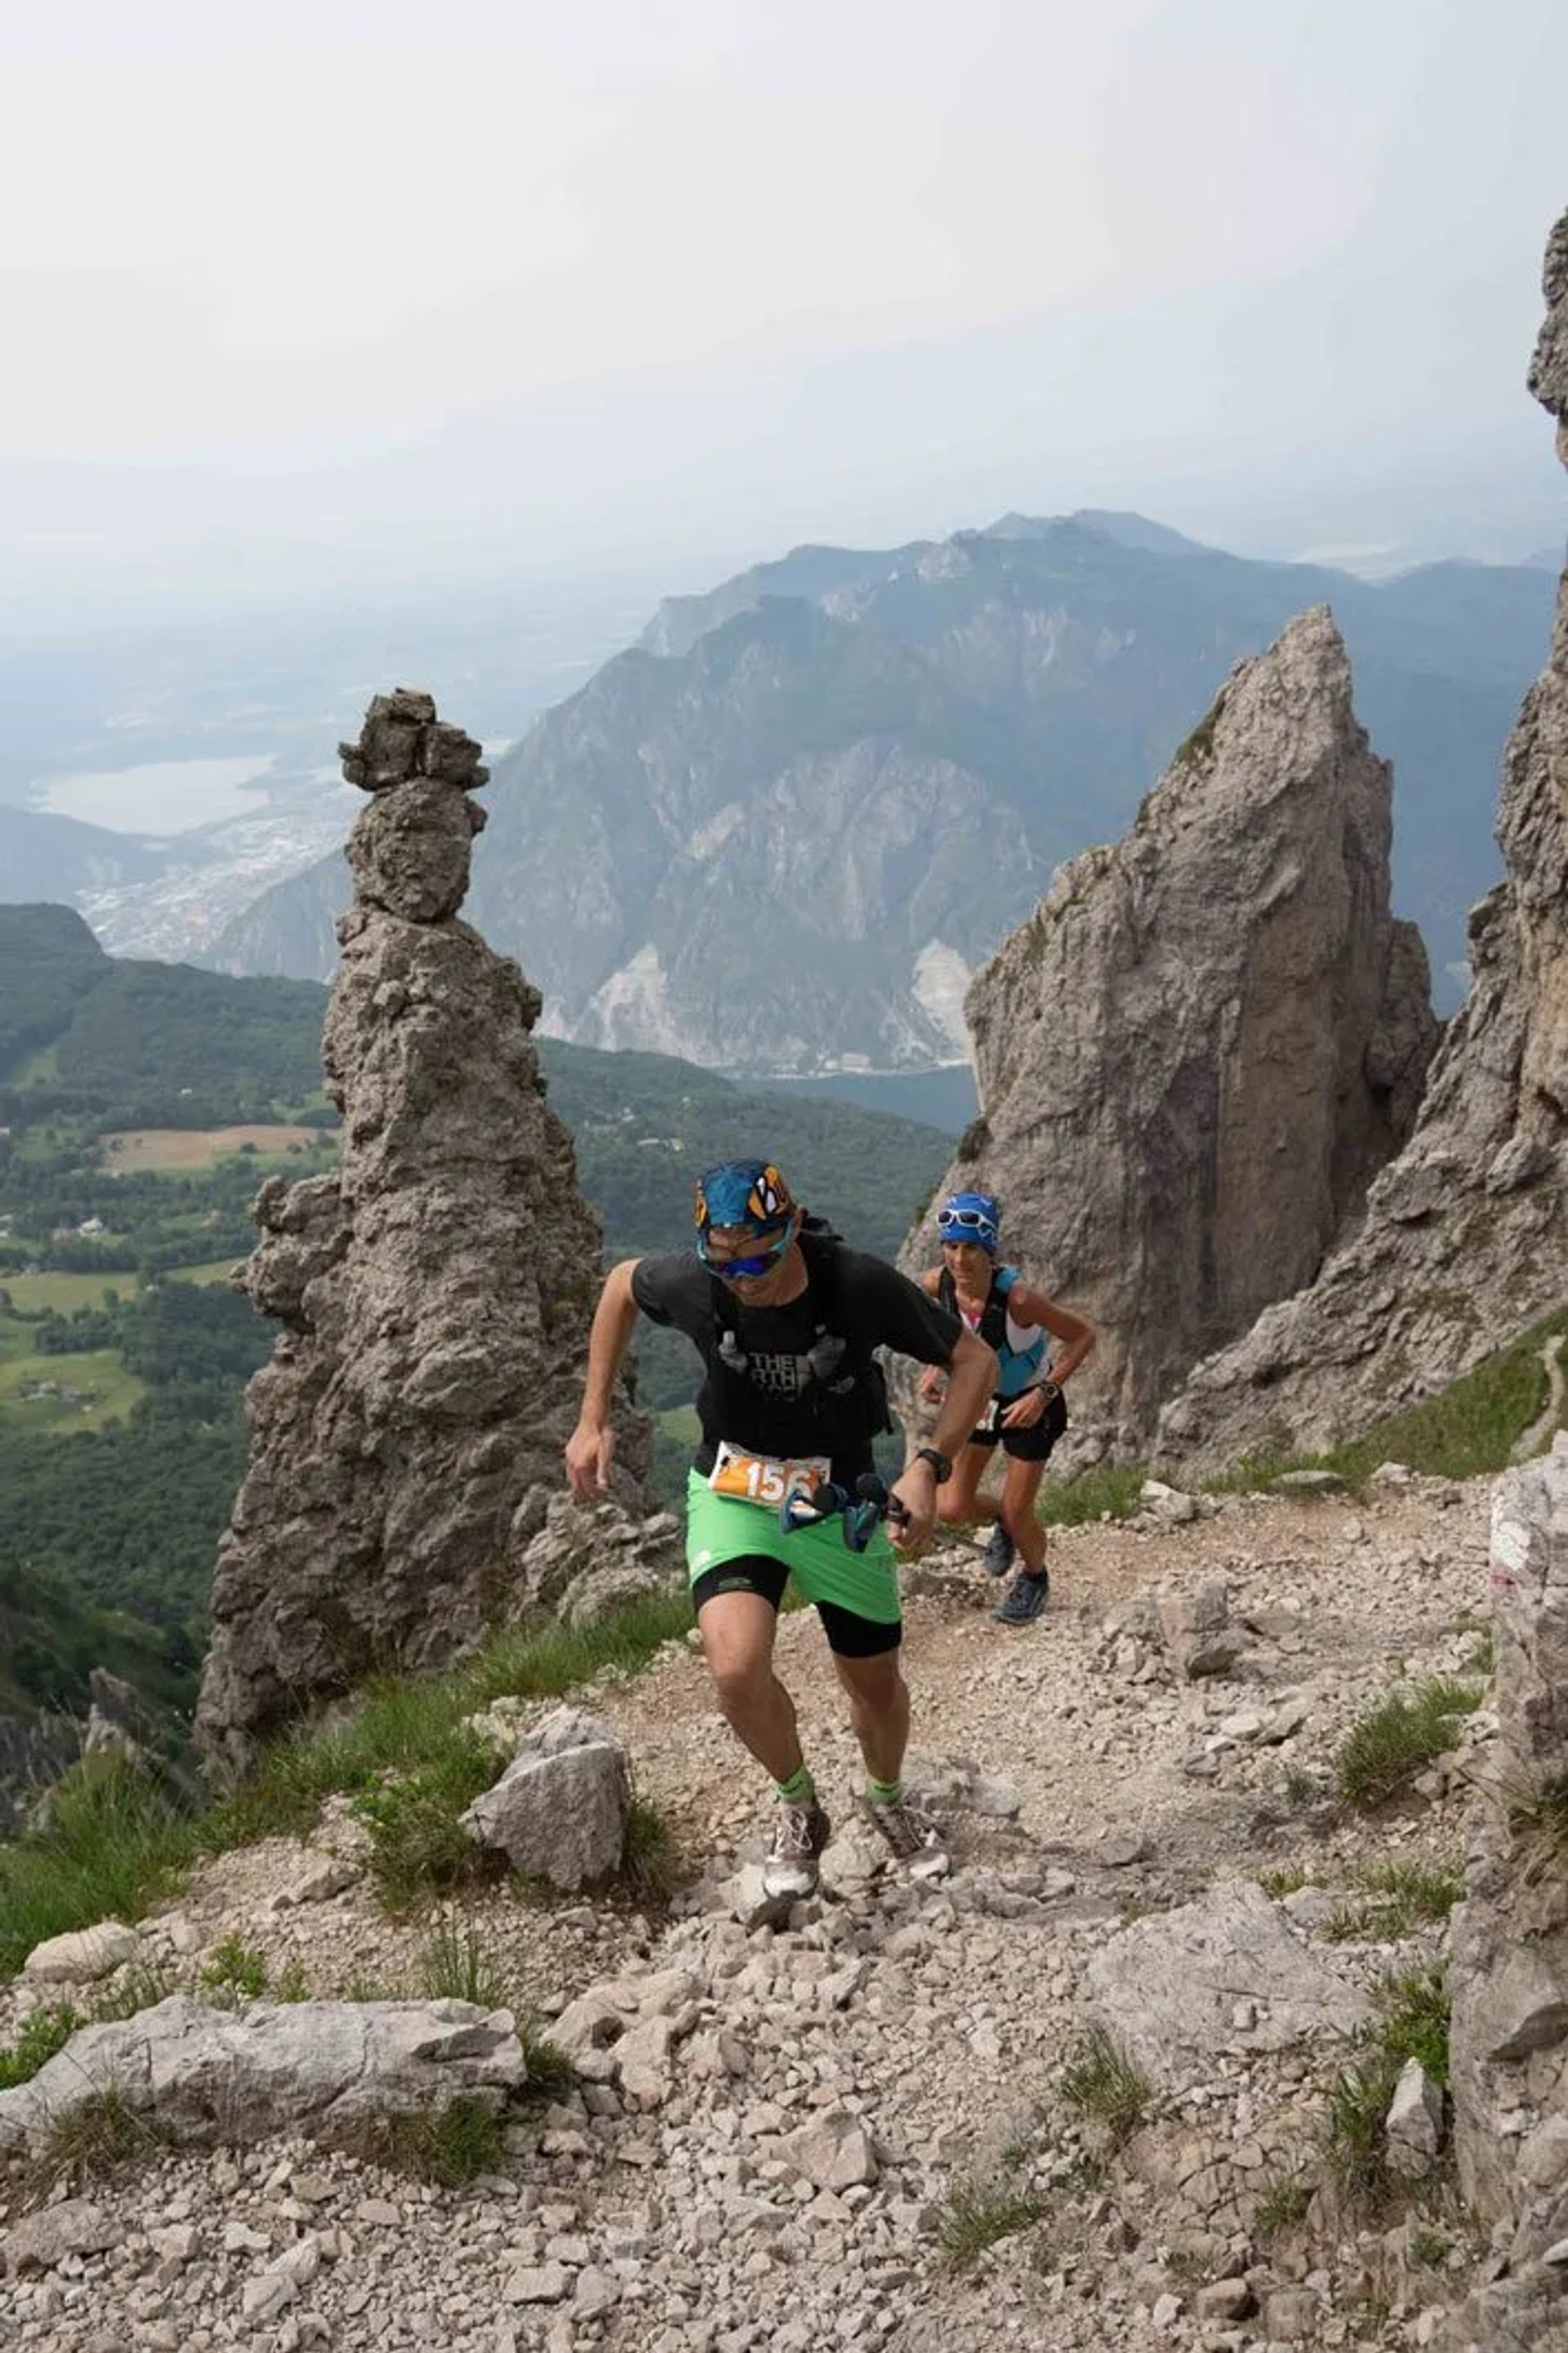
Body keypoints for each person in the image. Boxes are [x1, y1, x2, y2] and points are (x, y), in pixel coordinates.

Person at [564, 1157, 997, 1901]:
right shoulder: (702, 1281)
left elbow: (974, 1357)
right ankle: (798, 1804)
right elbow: (618, 1288)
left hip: (839, 1498)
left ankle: (886, 1796)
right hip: (734, 1487)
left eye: (760, 1258)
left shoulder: (854, 1284)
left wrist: (929, 1464)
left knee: (876, 1687)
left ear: (793, 1226)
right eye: (724, 1262)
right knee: (734, 1669)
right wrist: (591, 1416)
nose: (742, 1279)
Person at [916, 1188, 1095, 1627]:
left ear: (989, 1249)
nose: (960, 1260)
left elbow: (1083, 1336)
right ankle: (1003, 1520)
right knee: (954, 1507)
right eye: (952, 1246)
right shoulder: (935, 1285)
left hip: (1031, 1404)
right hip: (981, 1399)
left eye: (971, 1248)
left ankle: (1035, 1576)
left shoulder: (1018, 1300)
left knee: (1021, 1512)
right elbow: (944, 1333)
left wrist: (1043, 1395)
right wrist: (935, 1367)